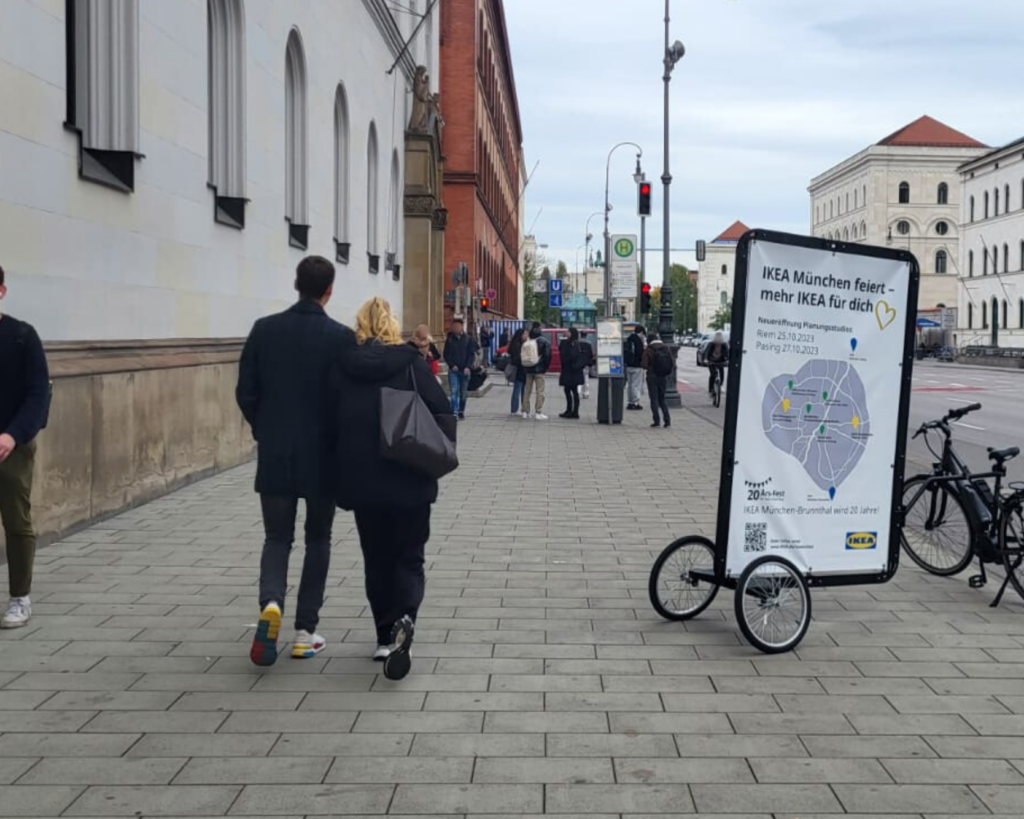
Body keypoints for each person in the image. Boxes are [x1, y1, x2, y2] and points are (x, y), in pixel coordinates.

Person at [236, 255, 354, 666]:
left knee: (277, 538)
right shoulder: (341, 338)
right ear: (329, 290)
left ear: (295, 284)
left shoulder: (264, 331)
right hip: (323, 458)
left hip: (276, 453)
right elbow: (347, 402)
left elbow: (245, 392)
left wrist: (264, 428)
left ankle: (271, 603)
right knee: (317, 539)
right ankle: (305, 631)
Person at [334, 297, 453, 681]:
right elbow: (442, 410)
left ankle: (385, 636)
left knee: (377, 559)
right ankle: (407, 618)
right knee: (410, 556)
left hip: (366, 485)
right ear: (392, 326)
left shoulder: (344, 369)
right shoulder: (413, 365)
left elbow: (330, 423)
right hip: (411, 478)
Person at [0, 265, 50, 630]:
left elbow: (37, 395)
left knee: (16, 522)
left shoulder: (21, 336)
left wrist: (12, 435)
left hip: (11, 446)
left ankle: (20, 597)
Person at [443, 316, 476, 420]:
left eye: (458, 326)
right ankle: (454, 411)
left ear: (462, 327)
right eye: (454, 326)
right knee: (454, 391)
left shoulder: (468, 339)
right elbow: (446, 354)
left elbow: (471, 354)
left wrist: (468, 367)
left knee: (463, 393)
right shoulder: (450, 339)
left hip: (465, 370)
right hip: (454, 370)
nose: (456, 328)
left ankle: (461, 410)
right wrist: (452, 365)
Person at [642, 334, 674, 429]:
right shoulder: (666, 348)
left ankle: (656, 421)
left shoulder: (648, 349)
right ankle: (667, 421)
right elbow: (671, 362)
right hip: (662, 376)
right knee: (662, 399)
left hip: (652, 376)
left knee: (654, 399)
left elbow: (644, 364)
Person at [521, 322, 552, 421]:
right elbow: (547, 356)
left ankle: (525, 411)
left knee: (527, 390)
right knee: (540, 391)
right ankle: (538, 411)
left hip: (529, 368)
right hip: (540, 370)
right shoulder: (544, 341)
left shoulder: (528, 341)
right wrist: (545, 368)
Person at [558, 328, 586, 419]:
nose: (566, 333)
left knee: (572, 391)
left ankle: (574, 411)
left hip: (572, 371)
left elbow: (569, 356)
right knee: (569, 390)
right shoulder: (569, 343)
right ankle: (570, 410)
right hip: (571, 371)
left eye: (568, 332)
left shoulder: (573, 344)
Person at [507, 327, 528, 416]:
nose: (526, 336)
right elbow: (516, 358)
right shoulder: (517, 345)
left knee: (523, 389)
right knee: (518, 389)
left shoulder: (521, 344)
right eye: (525, 334)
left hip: (522, 370)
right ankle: (515, 409)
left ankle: (524, 408)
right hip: (519, 370)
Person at [624, 325, 646, 410]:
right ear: (641, 332)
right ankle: (635, 402)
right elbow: (640, 353)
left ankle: (630, 401)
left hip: (628, 365)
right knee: (636, 384)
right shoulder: (638, 341)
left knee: (630, 384)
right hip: (637, 366)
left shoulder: (629, 339)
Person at [705, 331, 729, 397]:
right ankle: (710, 390)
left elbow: (727, 353)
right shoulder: (711, 344)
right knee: (713, 374)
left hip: (721, 360)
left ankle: (721, 385)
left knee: (721, 373)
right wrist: (706, 359)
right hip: (711, 361)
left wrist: (727, 359)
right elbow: (707, 352)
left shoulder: (724, 344)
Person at [579, 334, 595, 399]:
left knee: (578, 377)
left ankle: (578, 392)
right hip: (586, 364)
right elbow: (591, 355)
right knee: (586, 378)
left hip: (579, 363)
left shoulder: (578, 343)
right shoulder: (589, 344)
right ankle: (586, 393)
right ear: (586, 336)